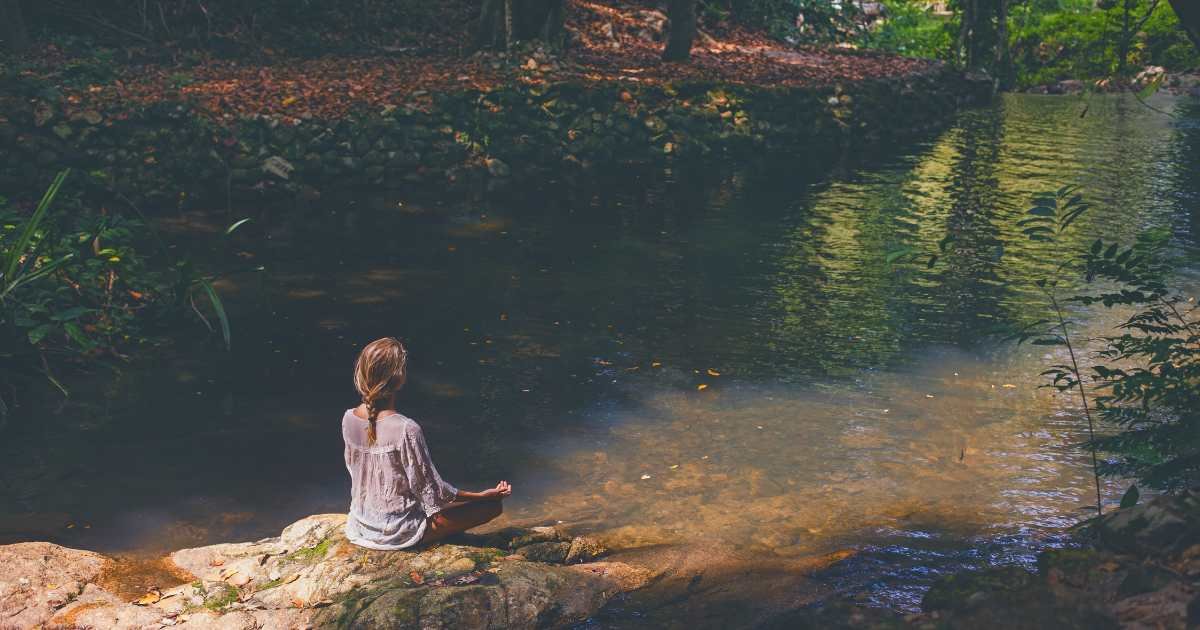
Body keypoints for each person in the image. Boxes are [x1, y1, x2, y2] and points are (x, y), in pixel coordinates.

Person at [342, 337, 511, 549]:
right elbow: (433, 491)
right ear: (399, 378)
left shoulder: (349, 418)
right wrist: (480, 496)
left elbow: (355, 471)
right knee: (492, 507)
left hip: (361, 525)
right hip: (398, 533)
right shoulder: (406, 428)